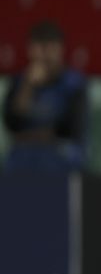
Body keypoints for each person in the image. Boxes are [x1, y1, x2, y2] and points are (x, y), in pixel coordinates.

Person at [2, 20, 87, 173]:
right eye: (39, 49)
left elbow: (72, 129)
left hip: (61, 158)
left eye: (50, 49)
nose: (44, 57)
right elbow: (12, 124)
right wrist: (28, 86)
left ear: (60, 50)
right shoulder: (20, 81)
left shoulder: (73, 84)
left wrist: (33, 136)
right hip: (23, 159)